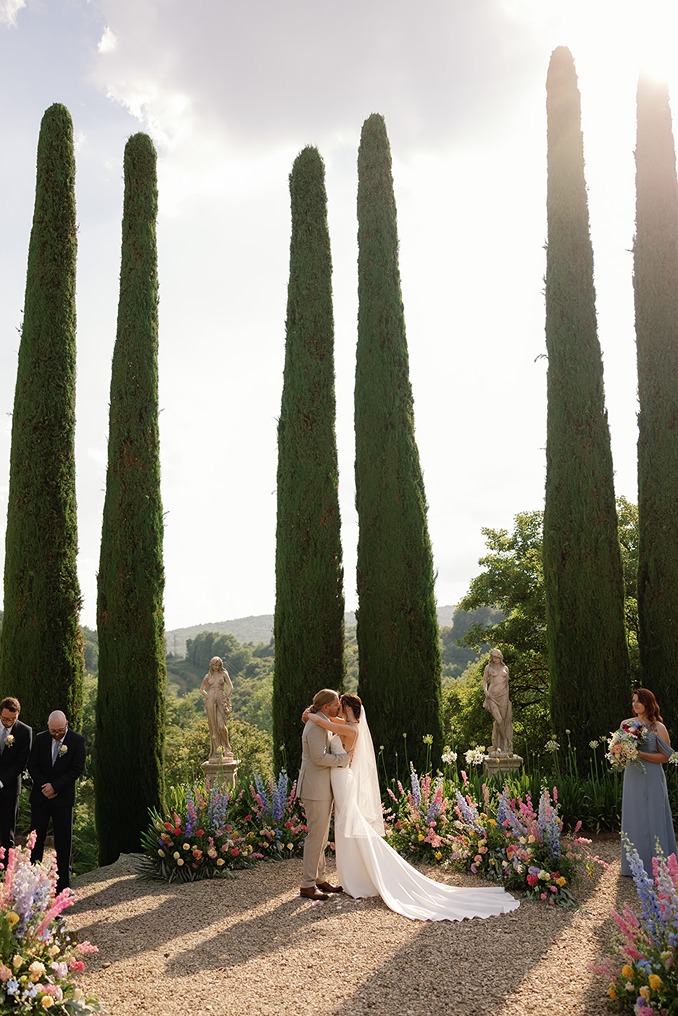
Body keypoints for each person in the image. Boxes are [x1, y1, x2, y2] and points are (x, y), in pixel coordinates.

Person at [304, 693, 520, 921]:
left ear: (347, 708)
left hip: (341, 778)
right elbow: (326, 724)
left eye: (340, 704)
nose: (337, 707)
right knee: (346, 826)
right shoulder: (347, 724)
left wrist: (311, 715)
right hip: (337, 780)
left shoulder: (351, 729)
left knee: (351, 824)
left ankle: (359, 876)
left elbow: (323, 723)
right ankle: (349, 875)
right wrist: (312, 716)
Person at [297, 688, 349, 901]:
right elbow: (319, 758)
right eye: (337, 703)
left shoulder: (321, 721)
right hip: (315, 788)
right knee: (315, 837)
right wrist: (343, 759)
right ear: (326, 706)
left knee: (321, 837)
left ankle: (319, 879)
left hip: (320, 787)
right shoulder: (316, 726)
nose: (340, 707)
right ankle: (307, 885)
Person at [28, 710, 86, 894]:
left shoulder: (77, 741)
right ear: (48, 726)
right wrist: (45, 785)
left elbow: (77, 769)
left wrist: (56, 787)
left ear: (66, 724)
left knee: (63, 841)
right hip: (41, 797)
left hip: (62, 799)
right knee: (36, 840)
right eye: (53, 731)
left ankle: (63, 885)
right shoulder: (41, 738)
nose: (56, 734)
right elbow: (33, 765)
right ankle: (32, 882)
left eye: (60, 730)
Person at [620, 688, 676, 876]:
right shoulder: (626, 725)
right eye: (633, 701)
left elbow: (666, 757)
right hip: (632, 775)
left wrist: (640, 754)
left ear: (648, 703)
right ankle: (633, 866)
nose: (635, 704)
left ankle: (659, 865)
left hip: (652, 775)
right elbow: (620, 751)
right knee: (634, 815)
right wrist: (620, 754)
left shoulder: (658, 727)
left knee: (654, 814)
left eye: (639, 701)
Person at [0, 696, 32, 851]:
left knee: (7, 834)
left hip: (10, 789)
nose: (8, 723)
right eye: (5, 719)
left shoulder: (25, 732)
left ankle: (5, 873)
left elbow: (21, 763)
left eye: (13, 719)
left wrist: (1, 781)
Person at [200, 656, 234, 760]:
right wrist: (207, 696)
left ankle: (227, 747)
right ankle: (216, 751)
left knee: (221, 725)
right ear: (211, 665)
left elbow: (230, 686)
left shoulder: (224, 674)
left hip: (220, 700)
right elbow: (201, 689)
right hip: (210, 701)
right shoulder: (208, 676)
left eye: (217, 665)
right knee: (213, 726)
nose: (216, 667)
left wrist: (226, 696)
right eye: (214, 665)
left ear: (220, 665)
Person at [482, 648, 513, 753]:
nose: (495, 659)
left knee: (501, 722)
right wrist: (486, 692)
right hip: (492, 697)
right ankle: (505, 741)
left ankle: (496, 745)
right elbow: (484, 681)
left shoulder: (506, 668)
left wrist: (508, 700)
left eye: (497, 657)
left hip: (504, 697)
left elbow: (507, 685)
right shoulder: (488, 668)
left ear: (500, 657)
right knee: (499, 720)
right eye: (493, 657)